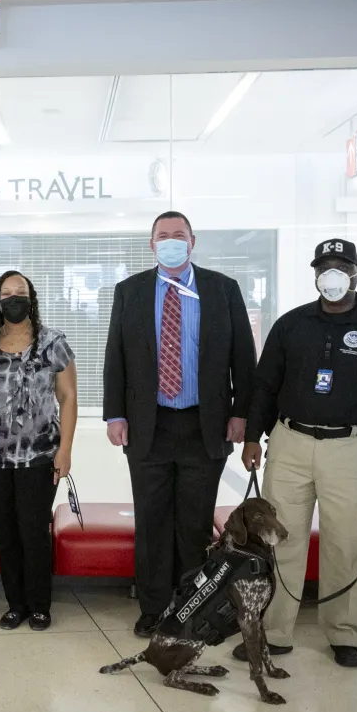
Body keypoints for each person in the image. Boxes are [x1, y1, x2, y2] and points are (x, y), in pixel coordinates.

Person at [242, 238, 357, 668]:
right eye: (325, 267)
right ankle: (274, 632)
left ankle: (345, 633)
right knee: (279, 538)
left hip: (353, 448)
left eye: (341, 266)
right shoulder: (291, 325)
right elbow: (265, 385)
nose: (332, 275)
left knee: (347, 542)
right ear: (315, 274)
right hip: (290, 441)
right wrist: (251, 438)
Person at [103, 211, 257, 638]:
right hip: (147, 425)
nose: (171, 241)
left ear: (193, 241)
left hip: (202, 424)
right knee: (151, 521)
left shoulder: (222, 289)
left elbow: (244, 358)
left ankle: (192, 607)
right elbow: (115, 357)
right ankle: (153, 607)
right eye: (162, 236)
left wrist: (240, 413)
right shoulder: (130, 291)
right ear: (152, 244)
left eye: (179, 235)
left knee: (194, 523)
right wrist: (115, 414)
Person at [0, 270, 76, 631]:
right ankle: (15, 604)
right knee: (5, 533)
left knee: (33, 531)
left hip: (39, 456)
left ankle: (39, 605)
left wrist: (66, 451)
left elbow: (68, 397)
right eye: (7, 293)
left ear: (32, 298)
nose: (14, 298)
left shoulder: (52, 342)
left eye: (21, 292)